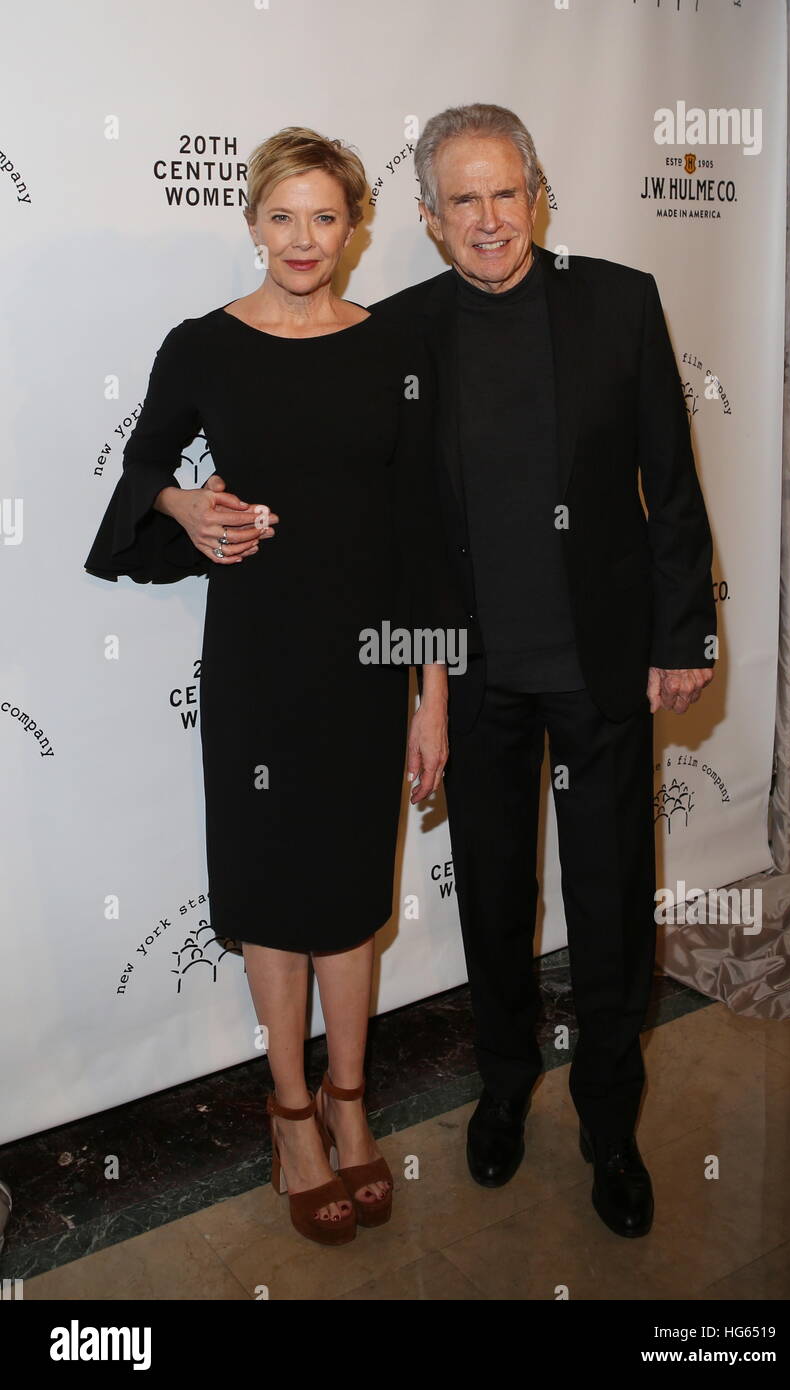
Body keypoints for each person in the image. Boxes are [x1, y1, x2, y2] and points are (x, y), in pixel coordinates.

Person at [85, 126, 466, 1247]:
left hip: (368, 667)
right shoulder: (202, 346)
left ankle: (350, 1102)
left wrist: (431, 697)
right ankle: (290, 1110)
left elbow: (424, 538)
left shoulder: (396, 349)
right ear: (252, 223)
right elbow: (142, 472)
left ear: (355, 229)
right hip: (256, 660)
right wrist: (183, 509)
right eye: (283, 216)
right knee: (269, 889)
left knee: (351, 893)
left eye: (326, 218)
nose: (304, 239)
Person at [369, 103, 717, 1238]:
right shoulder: (399, 333)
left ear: (539, 194)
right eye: (461, 200)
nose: (488, 220)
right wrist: (421, 687)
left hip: (602, 664)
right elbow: (404, 544)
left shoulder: (619, 301)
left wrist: (681, 635)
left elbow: (668, 483)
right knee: (498, 898)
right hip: (474, 683)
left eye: (505, 192)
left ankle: (610, 1120)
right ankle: (505, 1083)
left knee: (611, 904)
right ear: (427, 218)